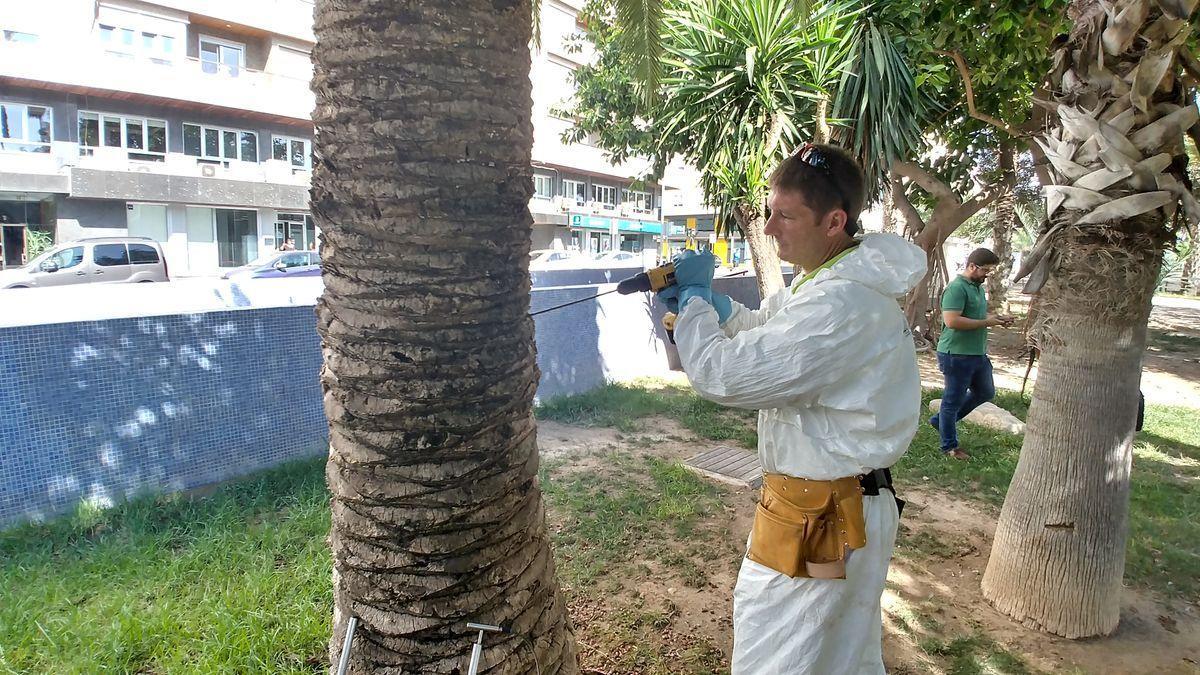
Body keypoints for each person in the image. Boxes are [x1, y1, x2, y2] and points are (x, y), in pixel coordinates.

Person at [658, 143, 926, 673]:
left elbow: (727, 375)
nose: (770, 227)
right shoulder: (831, 283)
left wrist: (690, 304)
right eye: (769, 211)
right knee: (836, 653)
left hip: (821, 519)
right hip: (834, 508)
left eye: (786, 216)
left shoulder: (839, 305)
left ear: (833, 221)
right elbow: (764, 331)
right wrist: (713, 304)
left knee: (777, 654)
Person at [929, 248, 1013, 460]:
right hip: (956, 355)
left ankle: (941, 421)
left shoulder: (976, 288)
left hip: (976, 354)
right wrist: (987, 322)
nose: (987, 275)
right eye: (985, 270)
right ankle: (949, 446)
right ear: (972, 266)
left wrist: (996, 318)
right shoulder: (956, 288)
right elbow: (952, 321)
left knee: (985, 392)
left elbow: (974, 314)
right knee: (952, 401)